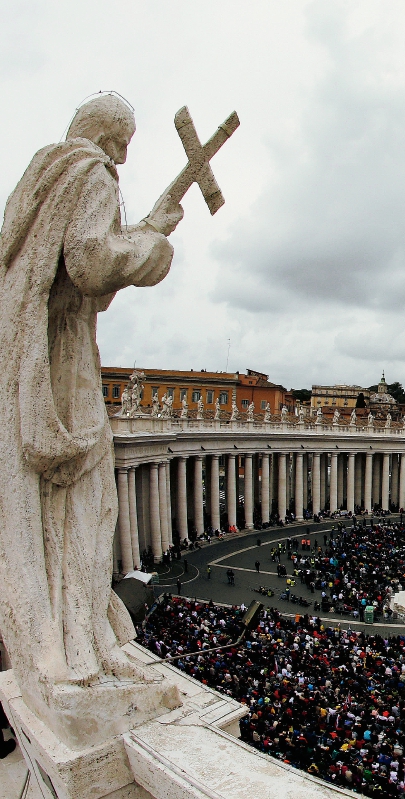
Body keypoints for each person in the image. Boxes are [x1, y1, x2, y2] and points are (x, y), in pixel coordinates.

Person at [0, 93, 184, 709]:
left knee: (60, 508)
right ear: (107, 136)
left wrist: (147, 225)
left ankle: (65, 636)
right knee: (91, 502)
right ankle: (82, 642)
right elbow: (90, 263)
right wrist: (153, 247)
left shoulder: (42, 181)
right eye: (123, 145)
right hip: (67, 359)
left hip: (37, 353)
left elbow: (82, 275)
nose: (124, 160)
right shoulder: (91, 172)